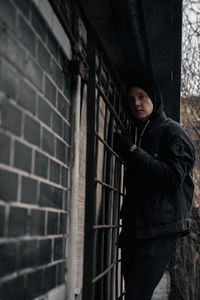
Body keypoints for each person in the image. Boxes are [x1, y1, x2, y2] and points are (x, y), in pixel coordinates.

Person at [114, 78, 195, 300]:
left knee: (137, 294)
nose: (136, 104)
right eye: (132, 100)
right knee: (131, 291)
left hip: (160, 229)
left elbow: (172, 176)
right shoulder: (139, 131)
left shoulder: (173, 132)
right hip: (135, 228)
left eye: (142, 97)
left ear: (154, 99)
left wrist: (131, 149)